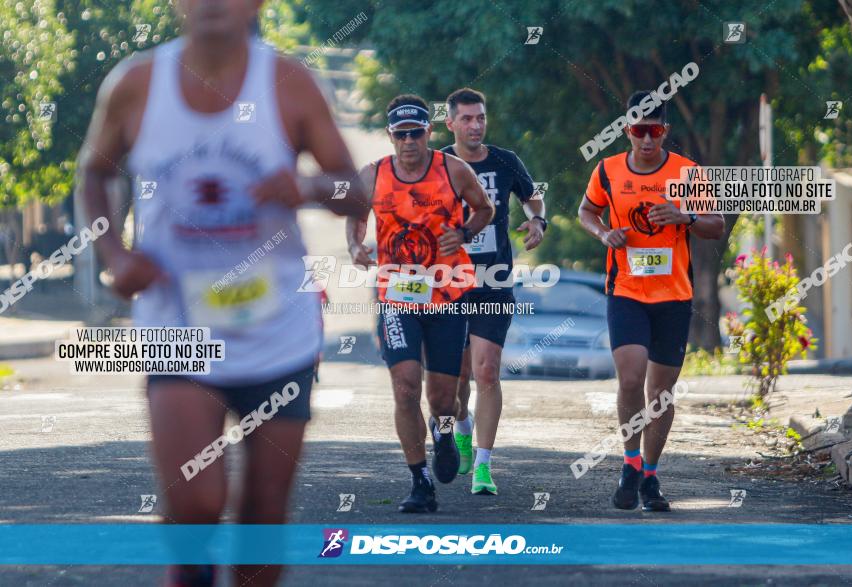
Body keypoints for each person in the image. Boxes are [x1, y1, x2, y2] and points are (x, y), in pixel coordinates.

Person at [77, 1, 368, 585]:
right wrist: (115, 256)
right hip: (175, 324)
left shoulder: (290, 83)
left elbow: (357, 190)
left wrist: (309, 185)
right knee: (195, 507)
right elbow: (94, 171)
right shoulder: (136, 83)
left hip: (277, 329)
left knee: (262, 523)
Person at [346, 94, 494, 513]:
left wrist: (463, 234)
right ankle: (419, 479)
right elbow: (355, 216)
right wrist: (355, 245)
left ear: (429, 132)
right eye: (400, 134)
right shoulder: (373, 175)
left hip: (447, 292)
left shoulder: (454, 170)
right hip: (397, 295)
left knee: (444, 400)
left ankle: (444, 432)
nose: (409, 141)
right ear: (390, 136)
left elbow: (485, 209)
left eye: (416, 132)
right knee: (405, 385)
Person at [577, 91, 723, 512]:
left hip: (673, 296)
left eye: (654, 130)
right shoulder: (606, 171)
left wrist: (684, 217)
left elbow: (716, 226)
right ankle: (629, 462)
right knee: (630, 378)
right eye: (639, 131)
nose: (646, 139)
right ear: (626, 131)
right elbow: (586, 212)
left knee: (661, 392)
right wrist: (605, 234)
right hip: (626, 291)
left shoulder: (688, 173)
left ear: (665, 131)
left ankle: (652, 475)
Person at [439, 88, 545, 495]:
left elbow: (533, 197)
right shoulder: (439, 165)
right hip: (448, 285)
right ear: (450, 124)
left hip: (494, 281)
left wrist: (538, 223)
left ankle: (483, 466)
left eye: (480, 117)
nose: (475, 125)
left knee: (486, 371)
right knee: (457, 376)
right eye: (465, 118)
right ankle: (462, 431)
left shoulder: (505, 161)